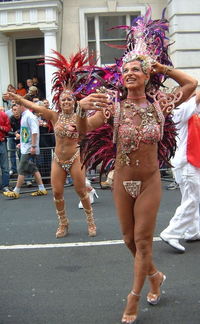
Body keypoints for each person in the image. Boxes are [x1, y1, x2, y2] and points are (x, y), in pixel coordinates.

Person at [76, 8, 197, 323]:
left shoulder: (161, 103)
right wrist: (79, 109)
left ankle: (133, 298)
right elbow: (83, 129)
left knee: (143, 240)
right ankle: (155, 275)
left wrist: (161, 68)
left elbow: (191, 83)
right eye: (125, 70)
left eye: (136, 70)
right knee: (128, 240)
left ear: (146, 76)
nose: (129, 73)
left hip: (150, 182)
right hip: (122, 181)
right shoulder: (113, 108)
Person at [4, 85, 97, 238]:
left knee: (81, 191)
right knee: (57, 192)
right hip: (58, 159)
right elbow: (34, 106)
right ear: (59, 102)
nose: (66, 102)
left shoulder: (80, 119)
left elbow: (92, 122)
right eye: (63, 99)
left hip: (75, 158)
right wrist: (18, 98)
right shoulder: (54, 116)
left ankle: (90, 221)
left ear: (74, 102)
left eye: (69, 99)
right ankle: (63, 223)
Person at [160, 92, 200, 252]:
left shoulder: (192, 112)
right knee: (193, 199)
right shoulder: (180, 111)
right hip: (186, 164)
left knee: (191, 199)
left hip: (190, 163)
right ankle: (171, 232)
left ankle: (192, 231)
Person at [2, 100, 47, 199]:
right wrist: (22, 143)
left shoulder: (29, 116)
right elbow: (26, 132)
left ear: (22, 106)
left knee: (21, 168)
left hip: (29, 148)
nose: (16, 108)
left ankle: (16, 191)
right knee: (33, 168)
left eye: (17, 106)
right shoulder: (25, 116)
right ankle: (42, 188)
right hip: (27, 146)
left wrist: (33, 147)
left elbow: (34, 132)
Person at [8, 103, 21, 176]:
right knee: (12, 153)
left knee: (21, 154)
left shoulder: (23, 117)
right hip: (12, 137)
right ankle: (13, 169)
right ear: (12, 111)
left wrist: (18, 132)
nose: (16, 111)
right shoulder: (10, 118)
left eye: (17, 110)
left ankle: (22, 171)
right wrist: (14, 134)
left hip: (22, 137)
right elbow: (8, 130)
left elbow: (24, 127)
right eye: (14, 110)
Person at [0, 109, 11, 192]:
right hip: (2, 142)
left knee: (5, 166)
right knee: (5, 166)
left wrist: (1, 127)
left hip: (2, 142)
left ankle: (5, 185)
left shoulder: (3, 115)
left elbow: (8, 128)